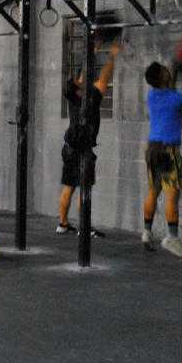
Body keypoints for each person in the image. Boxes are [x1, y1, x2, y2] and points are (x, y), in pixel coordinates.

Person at [141, 57, 182, 259]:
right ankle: (172, 237)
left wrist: (175, 69)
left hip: (151, 148)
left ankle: (147, 231)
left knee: (153, 191)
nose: (168, 71)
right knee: (172, 195)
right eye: (164, 70)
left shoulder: (152, 95)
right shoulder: (176, 98)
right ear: (163, 77)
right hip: (168, 151)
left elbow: (169, 88)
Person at [56, 44, 120, 237]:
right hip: (81, 152)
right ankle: (84, 228)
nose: (81, 82)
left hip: (69, 149)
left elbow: (84, 76)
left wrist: (92, 52)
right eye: (79, 84)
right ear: (77, 91)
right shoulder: (90, 98)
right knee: (84, 188)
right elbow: (104, 78)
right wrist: (112, 57)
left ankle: (63, 224)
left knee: (69, 187)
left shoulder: (74, 98)